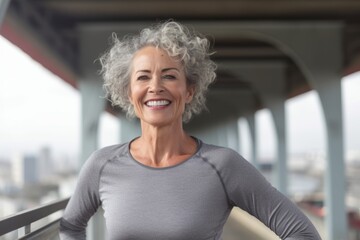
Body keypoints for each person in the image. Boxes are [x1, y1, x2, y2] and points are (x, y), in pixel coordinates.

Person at [59, 21, 321, 240]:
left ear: (189, 91)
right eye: (143, 77)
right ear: (129, 93)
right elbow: (70, 227)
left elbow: (301, 232)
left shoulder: (223, 165)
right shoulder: (102, 164)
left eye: (170, 76)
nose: (155, 86)